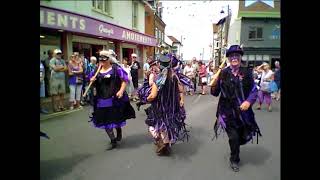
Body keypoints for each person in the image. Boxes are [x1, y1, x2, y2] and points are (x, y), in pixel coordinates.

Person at [210, 45, 261, 172]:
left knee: (242, 136)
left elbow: (254, 90)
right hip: (226, 112)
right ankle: (234, 159)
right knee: (233, 137)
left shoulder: (247, 73)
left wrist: (248, 102)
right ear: (228, 58)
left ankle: (237, 147)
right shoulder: (223, 73)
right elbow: (215, 93)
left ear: (240, 57)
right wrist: (214, 83)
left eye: (237, 55)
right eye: (232, 56)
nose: (234, 58)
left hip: (243, 112)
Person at [144, 53, 189, 156]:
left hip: (159, 107)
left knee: (152, 124)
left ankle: (162, 142)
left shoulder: (159, 78)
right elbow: (181, 90)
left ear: (159, 64)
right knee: (165, 125)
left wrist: (146, 98)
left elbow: (153, 95)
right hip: (171, 106)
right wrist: (180, 100)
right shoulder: (174, 76)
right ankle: (165, 143)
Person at [89, 50, 136, 150]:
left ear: (109, 60)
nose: (102, 61)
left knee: (115, 119)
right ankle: (113, 140)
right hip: (101, 99)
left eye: (104, 59)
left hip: (114, 98)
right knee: (105, 121)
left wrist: (121, 91)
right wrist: (92, 80)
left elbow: (124, 80)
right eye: (100, 59)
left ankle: (118, 129)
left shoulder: (116, 69)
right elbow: (92, 83)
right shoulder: (96, 70)